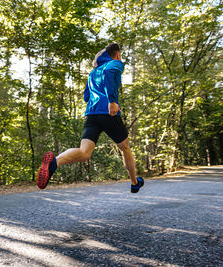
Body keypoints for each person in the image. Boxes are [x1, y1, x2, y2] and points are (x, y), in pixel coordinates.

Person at [37, 43, 144, 193]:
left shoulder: (93, 73)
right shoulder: (115, 63)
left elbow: (86, 96)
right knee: (125, 147)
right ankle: (134, 182)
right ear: (117, 55)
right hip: (109, 112)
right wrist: (112, 101)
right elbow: (109, 73)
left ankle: (54, 163)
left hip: (91, 114)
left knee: (84, 153)